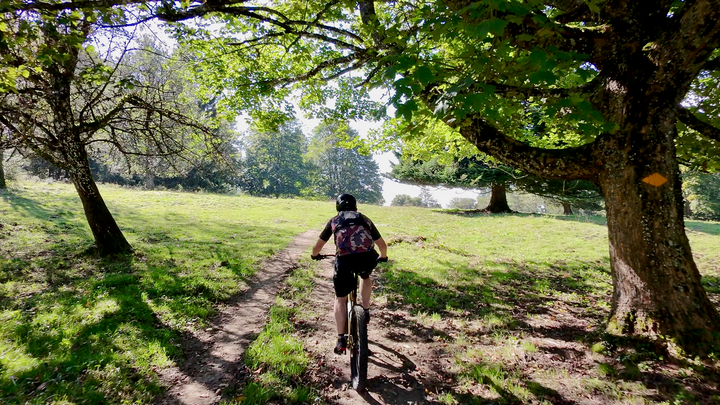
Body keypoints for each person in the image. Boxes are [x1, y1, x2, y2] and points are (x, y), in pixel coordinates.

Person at [311, 193, 388, 354]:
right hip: (366, 259)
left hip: (344, 262)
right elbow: (382, 244)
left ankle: (341, 339)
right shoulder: (364, 219)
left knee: (340, 298)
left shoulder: (334, 221)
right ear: (356, 207)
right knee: (365, 276)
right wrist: (383, 256)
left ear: (338, 208)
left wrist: (315, 255)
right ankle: (365, 310)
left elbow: (317, 247)